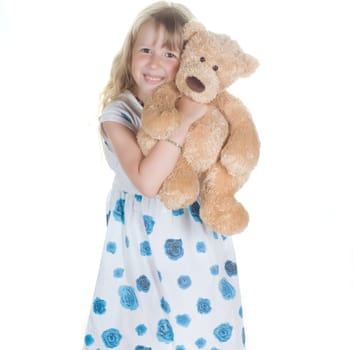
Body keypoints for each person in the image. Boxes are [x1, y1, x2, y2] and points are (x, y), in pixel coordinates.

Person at [82, 2, 246, 349]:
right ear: (130, 55)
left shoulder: (206, 107)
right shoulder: (120, 114)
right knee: (142, 329)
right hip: (140, 249)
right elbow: (147, 182)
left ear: (188, 60)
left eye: (169, 54)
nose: (155, 62)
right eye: (145, 50)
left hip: (196, 244)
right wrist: (184, 120)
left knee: (201, 325)